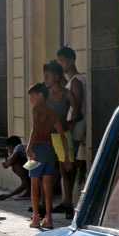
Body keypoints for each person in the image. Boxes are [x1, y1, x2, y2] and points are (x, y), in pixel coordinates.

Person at [26, 83, 71, 229]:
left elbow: (34, 130)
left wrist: (29, 147)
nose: (31, 100)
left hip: (37, 149)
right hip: (50, 149)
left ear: (40, 95)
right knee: (48, 185)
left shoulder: (36, 110)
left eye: (32, 97)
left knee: (35, 184)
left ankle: (36, 217)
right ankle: (49, 217)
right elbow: (62, 135)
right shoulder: (52, 112)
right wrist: (66, 156)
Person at [44, 61, 81, 219]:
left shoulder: (66, 94)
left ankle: (68, 203)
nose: (45, 79)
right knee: (49, 171)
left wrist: (68, 124)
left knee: (66, 169)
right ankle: (46, 204)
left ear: (56, 77)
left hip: (62, 136)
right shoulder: (45, 94)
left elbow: (78, 112)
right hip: (47, 135)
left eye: (48, 76)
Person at [56, 46, 87, 186]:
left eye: (63, 62)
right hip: (72, 128)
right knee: (66, 163)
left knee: (67, 164)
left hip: (74, 129)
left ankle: (68, 201)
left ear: (72, 61)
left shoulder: (76, 81)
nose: (60, 65)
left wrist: (69, 128)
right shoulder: (72, 81)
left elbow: (77, 108)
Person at [0, 135, 31, 201]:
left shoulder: (19, 147)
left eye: (8, 149)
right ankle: (30, 190)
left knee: (15, 165)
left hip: (38, 165)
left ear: (11, 147)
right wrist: (8, 196)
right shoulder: (23, 151)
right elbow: (24, 185)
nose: (9, 151)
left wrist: (7, 164)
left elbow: (11, 161)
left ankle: (30, 191)